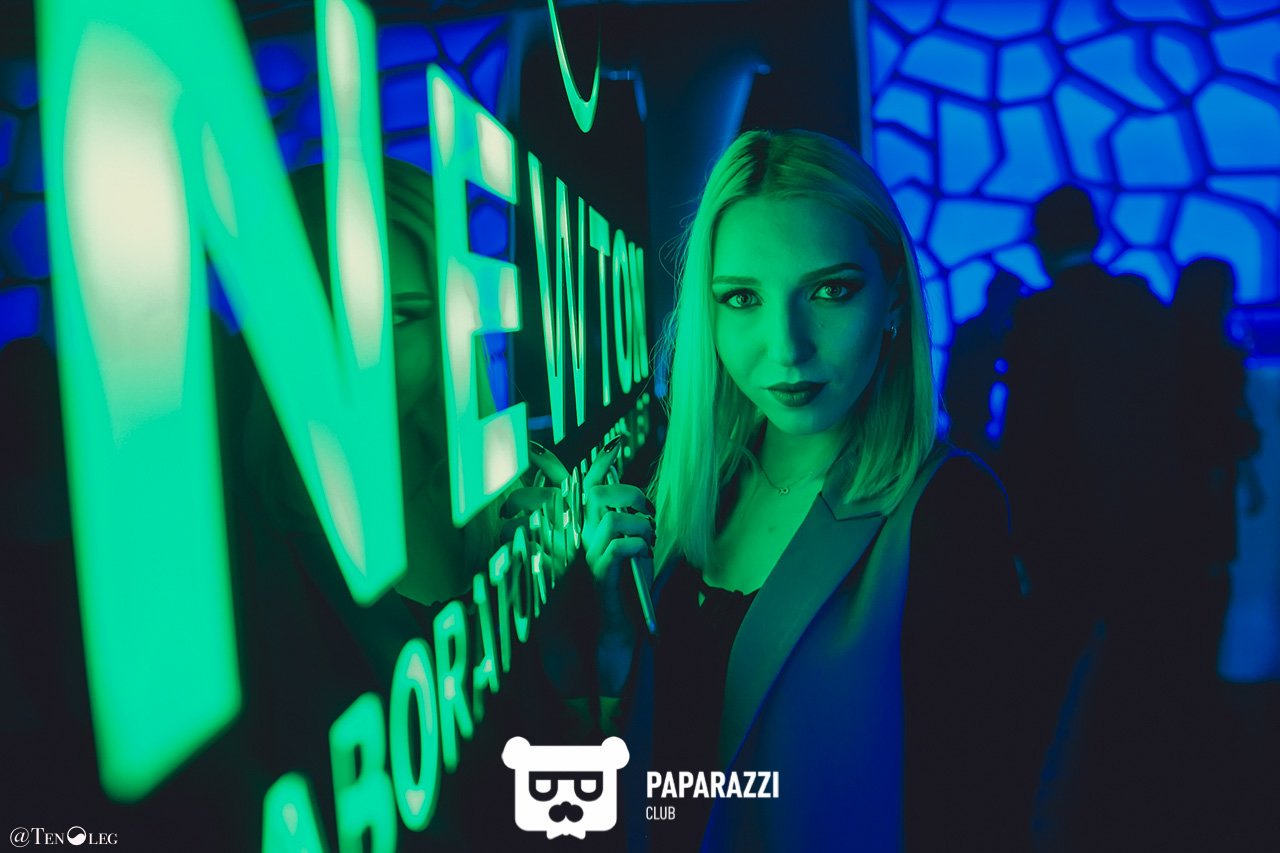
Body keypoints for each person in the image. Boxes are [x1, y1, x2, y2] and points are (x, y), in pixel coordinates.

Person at [569, 130, 1029, 851]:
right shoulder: (679, 490)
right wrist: (614, 646)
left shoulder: (947, 510)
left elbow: (977, 806)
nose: (787, 346)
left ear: (894, 299)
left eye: (830, 291)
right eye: (741, 298)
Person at [1001, 186, 1181, 850]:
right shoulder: (1142, 305)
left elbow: (1027, 432)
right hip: (1143, 517)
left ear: (1041, 241)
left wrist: (1014, 525)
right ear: (1097, 233)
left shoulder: (1040, 315)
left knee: (1048, 674)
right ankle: (1135, 813)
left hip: (1064, 520)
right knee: (1137, 674)